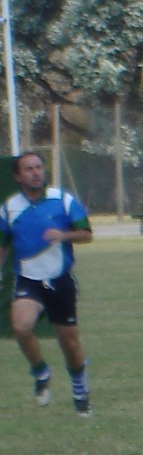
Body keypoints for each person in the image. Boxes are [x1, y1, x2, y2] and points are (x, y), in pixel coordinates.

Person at [1, 151, 94, 416]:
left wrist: (63, 234)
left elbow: (87, 235)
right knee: (21, 327)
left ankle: (80, 389)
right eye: (28, 169)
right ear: (18, 176)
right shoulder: (9, 208)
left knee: (70, 344)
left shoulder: (62, 200)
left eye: (39, 167)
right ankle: (40, 371)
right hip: (29, 280)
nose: (35, 172)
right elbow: (3, 244)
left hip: (60, 281)